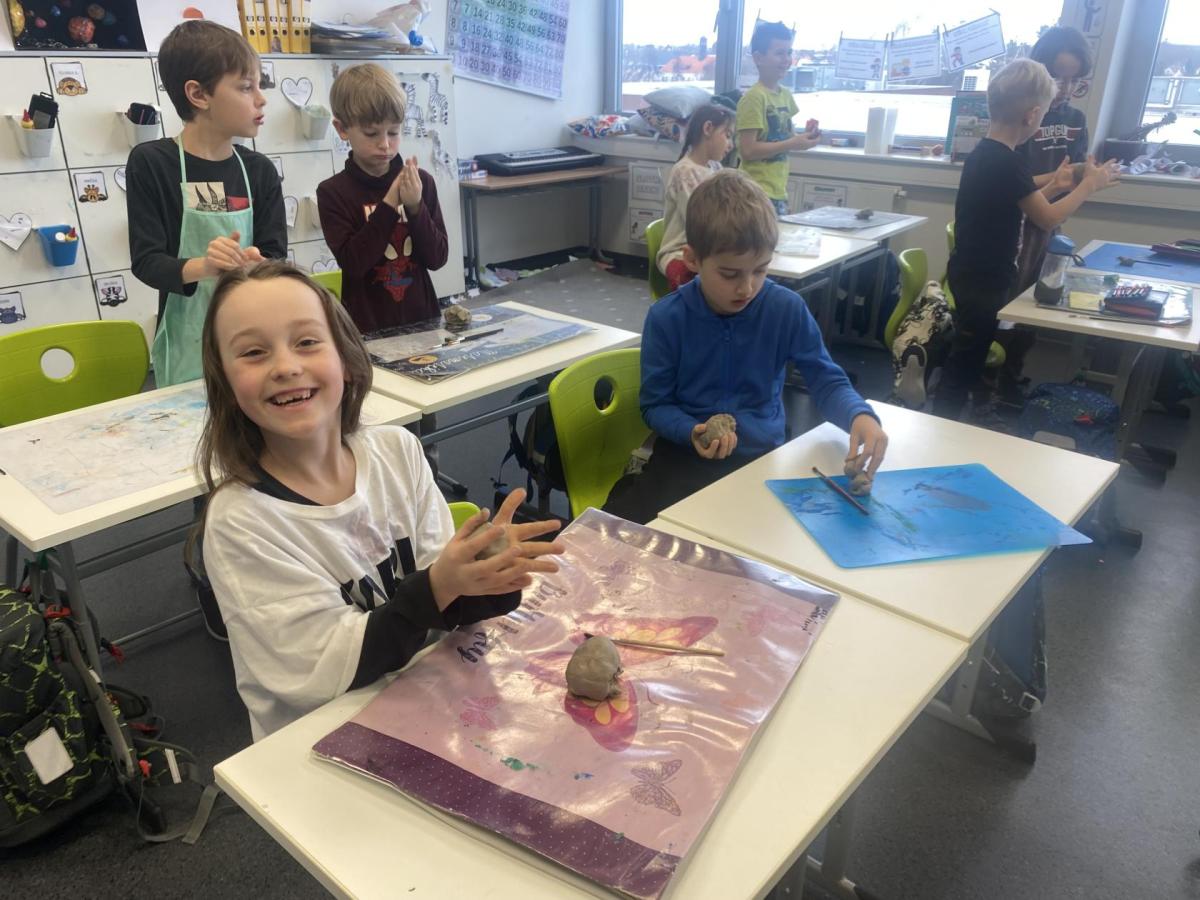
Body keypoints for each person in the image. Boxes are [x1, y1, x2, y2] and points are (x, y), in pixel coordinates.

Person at [193, 260, 564, 740]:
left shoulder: (397, 451)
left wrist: (488, 577)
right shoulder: (242, 522)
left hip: (428, 700)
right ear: (224, 383)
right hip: (324, 740)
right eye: (253, 352)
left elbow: (442, 595)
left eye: (306, 342)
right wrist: (439, 587)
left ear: (346, 359)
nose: (285, 367)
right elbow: (323, 671)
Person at [604, 170, 887, 525]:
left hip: (760, 460)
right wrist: (691, 431)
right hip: (684, 457)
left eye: (760, 270)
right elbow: (655, 405)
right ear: (692, 259)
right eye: (730, 274)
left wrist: (859, 415)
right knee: (624, 532)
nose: (747, 287)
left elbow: (825, 380)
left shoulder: (785, 309)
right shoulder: (667, 318)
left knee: (771, 540)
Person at [933, 59, 1118, 424]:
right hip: (982, 282)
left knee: (969, 356)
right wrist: (1087, 186)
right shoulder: (1008, 162)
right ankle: (941, 426)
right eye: (1044, 113)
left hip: (975, 274)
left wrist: (1056, 185)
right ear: (1033, 115)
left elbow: (1017, 198)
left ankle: (950, 421)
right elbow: (1047, 218)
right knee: (964, 364)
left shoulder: (987, 154)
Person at [127, 20, 286, 387]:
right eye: (245, 87)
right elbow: (147, 262)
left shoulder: (258, 170)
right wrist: (205, 266)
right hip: (188, 345)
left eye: (259, 85)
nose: (261, 99)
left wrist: (258, 263)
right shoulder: (153, 163)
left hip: (255, 336)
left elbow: (275, 252)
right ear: (198, 95)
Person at [317, 63, 449, 333]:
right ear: (342, 129)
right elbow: (354, 264)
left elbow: (437, 258)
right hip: (366, 328)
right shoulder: (333, 192)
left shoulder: (420, 182)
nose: (385, 144)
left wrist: (415, 207)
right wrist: (389, 204)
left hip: (423, 320)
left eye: (394, 132)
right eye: (371, 133)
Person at [1002, 26, 1096, 401]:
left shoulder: (1076, 120)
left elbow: (1074, 172)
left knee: (1037, 299)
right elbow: (1013, 178)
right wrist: (1059, 181)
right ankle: (990, 379)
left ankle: (1011, 374)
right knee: (1007, 304)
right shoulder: (1022, 118)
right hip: (1015, 224)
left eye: (1075, 80)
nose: (1066, 88)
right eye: (1058, 77)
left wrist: (1083, 177)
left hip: (1050, 222)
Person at [736, 21, 820, 216]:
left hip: (778, 190)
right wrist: (792, 143)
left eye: (789, 53)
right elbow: (748, 150)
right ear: (758, 58)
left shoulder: (785, 95)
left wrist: (806, 138)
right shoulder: (754, 98)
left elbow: (787, 138)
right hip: (753, 193)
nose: (786, 59)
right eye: (779, 53)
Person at [657, 104, 734, 292]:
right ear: (708, 128)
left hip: (711, 249)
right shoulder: (684, 171)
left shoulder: (715, 168)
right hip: (679, 252)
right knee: (699, 280)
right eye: (727, 135)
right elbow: (700, 223)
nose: (731, 145)